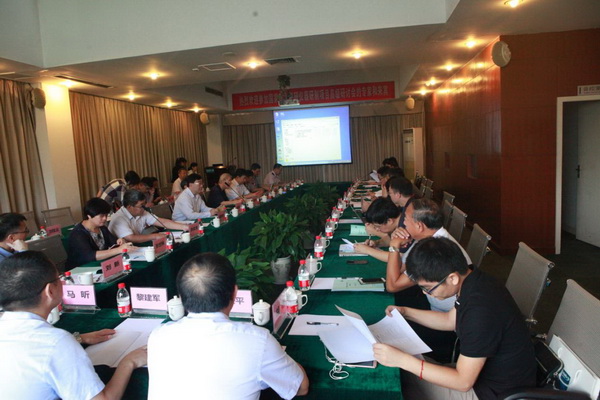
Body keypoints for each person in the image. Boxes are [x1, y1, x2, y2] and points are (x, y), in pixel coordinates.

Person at [373, 237, 536, 400]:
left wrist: (402, 360)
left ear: (452, 278)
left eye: (428, 288)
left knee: (398, 379)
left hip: (490, 392)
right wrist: (405, 312)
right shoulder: (473, 279)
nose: (425, 293)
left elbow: (462, 382)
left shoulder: (480, 311)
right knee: (399, 363)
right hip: (480, 374)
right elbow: (449, 320)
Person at [148, 252, 309, 399]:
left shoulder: (158, 335)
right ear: (235, 292)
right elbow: (301, 388)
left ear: (181, 297)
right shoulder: (258, 341)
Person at [0, 251, 147, 400]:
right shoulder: (55, 342)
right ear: (50, 290)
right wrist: (128, 363)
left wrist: (78, 338)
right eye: (59, 278)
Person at [385, 198, 471, 312]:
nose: (403, 223)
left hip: (445, 314)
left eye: (405, 218)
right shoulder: (429, 238)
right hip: (433, 303)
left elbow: (392, 286)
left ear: (419, 226)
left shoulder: (435, 251)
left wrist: (394, 245)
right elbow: (400, 269)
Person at [67, 198, 134, 269]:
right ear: (89, 216)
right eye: (101, 216)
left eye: (106, 215)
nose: (105, 218)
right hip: (82, 269)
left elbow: (113, 243)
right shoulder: (78, 233)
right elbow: (90, 256)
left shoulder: (102, 228)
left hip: (102, 266)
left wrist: (120, 241)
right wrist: (118, 250)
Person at [109, 189, 189, 244]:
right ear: (130, 207)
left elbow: (162, 222)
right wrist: (155, 236)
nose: (144, 208)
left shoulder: (141, 212)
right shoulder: (119, 218)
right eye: (141, 206)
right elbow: (131, 238)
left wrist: (184, 227)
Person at [353, 197, 402, 262]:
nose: (377, 229)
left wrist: (367, 250)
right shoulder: (398, 222)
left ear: (389, 221)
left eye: (378, 226)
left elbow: (399, 257)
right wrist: (376, 243)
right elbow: (390, 240)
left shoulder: (405, 227)